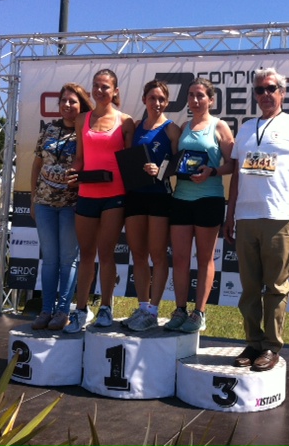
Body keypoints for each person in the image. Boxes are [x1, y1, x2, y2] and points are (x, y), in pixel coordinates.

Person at [223, 67, 289, 372]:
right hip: (246, 218)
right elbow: (237, 177)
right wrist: (230, 214)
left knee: (276, 286)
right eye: (260, 90)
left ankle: (271, 347)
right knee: (249, 287)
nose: (265, 94)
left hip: (280, 217)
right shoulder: (245, 128)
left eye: (271, 88)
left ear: (282, 93)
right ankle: (253, 343)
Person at [64, 68, 135, 333]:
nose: (100, 90)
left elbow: (130, 162)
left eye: (105, 86)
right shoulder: (82, 119)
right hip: (87, 194)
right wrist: (73, 173)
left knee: (106, 253)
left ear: (115, 91)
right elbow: (80, 158)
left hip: (115, 195)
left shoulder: (125, 121)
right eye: (96, 85)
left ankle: (106, 307)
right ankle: (81, 310)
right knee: (86, 255)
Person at [165, 78, 235, 333]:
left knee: (205, 258)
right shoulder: (184, 126)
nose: (195, 100)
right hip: (181, 198)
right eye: (191, 95)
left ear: (210, 100)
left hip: (209, 199)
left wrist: (211, 171)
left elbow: (233, 164)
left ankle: (200, 313)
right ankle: (180, 310)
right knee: (180, 258)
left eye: (200, 95)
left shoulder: (220, 126)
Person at [30, 83, 93, 331]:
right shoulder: (48, 130)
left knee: (68, 259)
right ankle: (46, 310)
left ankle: (63, 311)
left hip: (71, 204)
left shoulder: (84, 131)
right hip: (44, 203)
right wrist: (33, 198)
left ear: (81, 105)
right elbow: (36, 165)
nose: (67, 105)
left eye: (73, 101)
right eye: (64, 100)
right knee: (49, 259)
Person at [122, 80, 180, 331]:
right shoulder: (136, 126)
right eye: (152, 98)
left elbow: (178, 164)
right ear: (144, 99)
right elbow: (127, 159)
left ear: (167, 102)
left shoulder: (171, 129)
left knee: (157, 254)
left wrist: (160, 170)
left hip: (160, 196)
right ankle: (143, 307)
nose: (157, 103)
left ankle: (154, 311)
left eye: (161, 99)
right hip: (135, 195)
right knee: (138, 254)